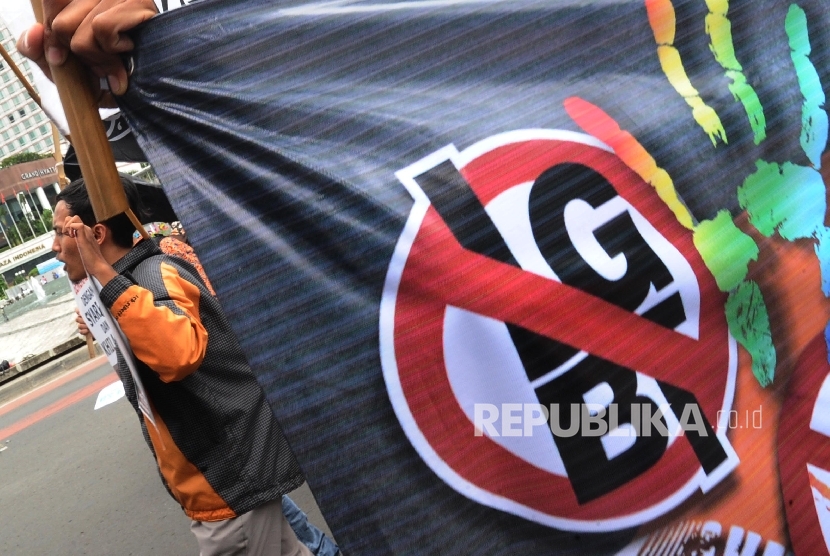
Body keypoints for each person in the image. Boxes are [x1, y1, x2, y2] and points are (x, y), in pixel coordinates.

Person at [54, 175, 314, 556]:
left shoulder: (153, 274)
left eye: (62, 233)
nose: (56, 248)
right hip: (219, 479)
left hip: (227, 478)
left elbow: (178, 354)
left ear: (95, 234)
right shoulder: (130, 282)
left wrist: (108, 283)